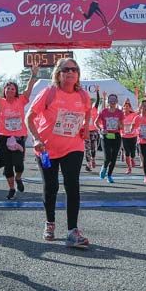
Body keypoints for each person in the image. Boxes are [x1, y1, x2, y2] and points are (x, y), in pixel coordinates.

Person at [26, 57, 91, 248]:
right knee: (51, 186)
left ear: (78, 74)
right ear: (58, 74)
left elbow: (88, 111)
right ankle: (50, 222)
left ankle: (72, 231)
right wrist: (36, 139)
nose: (70, 72)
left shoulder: (83, 95)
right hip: (46, 149)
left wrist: (86, 126)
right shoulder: (49, 92)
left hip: (73, 146)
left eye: (74, 69)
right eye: (66, 69)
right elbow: (29, 117)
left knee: (72, 185)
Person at [0, 65, 40, 199]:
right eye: (8, 88)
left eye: (12, 89)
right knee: (8, 166)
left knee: (19, 164)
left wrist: (33, 75)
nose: (10, 90)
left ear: (16, 92)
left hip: (18, 137)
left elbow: (28, 89)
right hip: (3, 137)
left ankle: (18, 178)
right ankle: (11, 188)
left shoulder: (20, 100)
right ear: (4, 90)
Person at [96, 93, 124, 183]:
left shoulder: (120, 112)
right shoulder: (103, 111)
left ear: (116, 101)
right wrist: (101, 129)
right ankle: (104, 167)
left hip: (116, 136)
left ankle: (109, 175)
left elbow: (122, 126)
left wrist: (119, 124)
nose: (112, 102)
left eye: (114, 100)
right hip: (106, 136)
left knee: (114, 157)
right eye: (110, 100)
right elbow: (96, 122)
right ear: (108, 101)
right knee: (108, 157)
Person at [83, 87, 101, 172]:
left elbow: (98, 100)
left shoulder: (94, 109)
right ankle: (88, 163)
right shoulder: (83, 110)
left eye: (90, 102)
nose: (89, 104)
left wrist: (97, 91)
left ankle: (93, 159)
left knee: (93, 147)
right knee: (87, 148)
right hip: (86, 131)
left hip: (94, 132)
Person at [120, 100, 139, 174]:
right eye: (124, 106)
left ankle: (132, 159)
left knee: (133, 151)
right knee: (126, 152)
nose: (126, 108)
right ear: (123, 108)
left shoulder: (133, 115)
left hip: (133, 136)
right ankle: (129, 168)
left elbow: (139, 111)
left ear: (130, 108)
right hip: (124, 136)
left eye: (127, 106)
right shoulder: (120, 116)